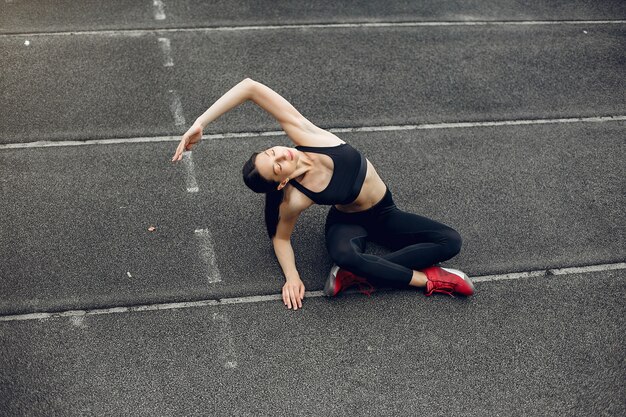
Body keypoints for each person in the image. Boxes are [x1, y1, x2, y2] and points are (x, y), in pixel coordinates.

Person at [172, 78, 474, 311]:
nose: (282, 157)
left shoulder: (307, 134)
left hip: (385, 213)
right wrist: (292, 276)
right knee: (345, 254)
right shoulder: (296, 197)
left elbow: (250, 87)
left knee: (450, 241)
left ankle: (357, 272)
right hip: (348, 222)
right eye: (276, 167)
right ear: (281, 183)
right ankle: (429, 280)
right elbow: (280, 238)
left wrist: (200, 122)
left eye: (272, 152)